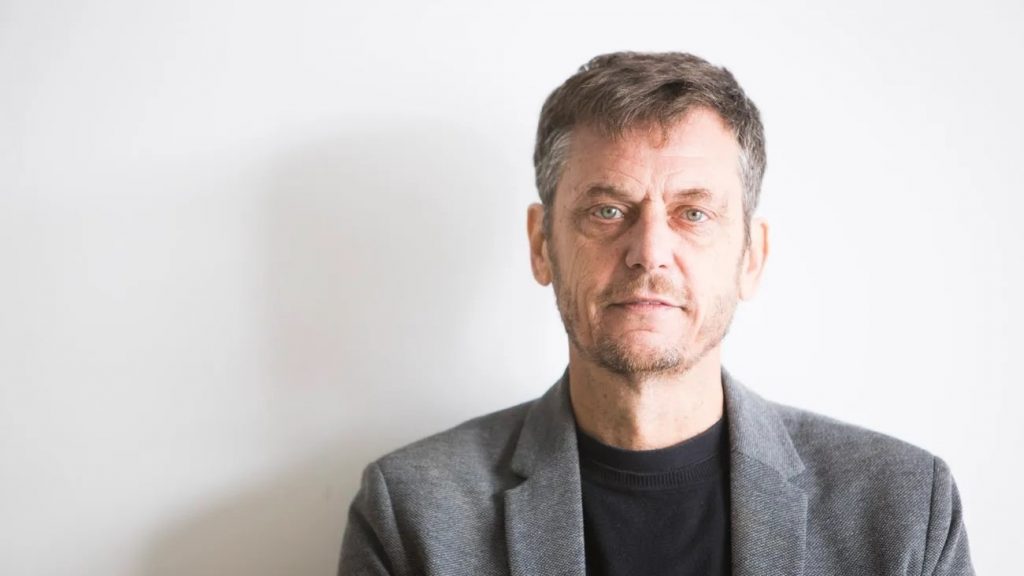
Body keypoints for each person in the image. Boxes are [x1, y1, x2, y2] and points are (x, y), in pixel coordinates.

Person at [338, 51, 975, 576]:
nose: (649, 252)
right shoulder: (412, 512)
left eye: (692, 213)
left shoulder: (904, 509)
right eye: (607, 210)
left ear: (752, 256)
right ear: (542, 245)